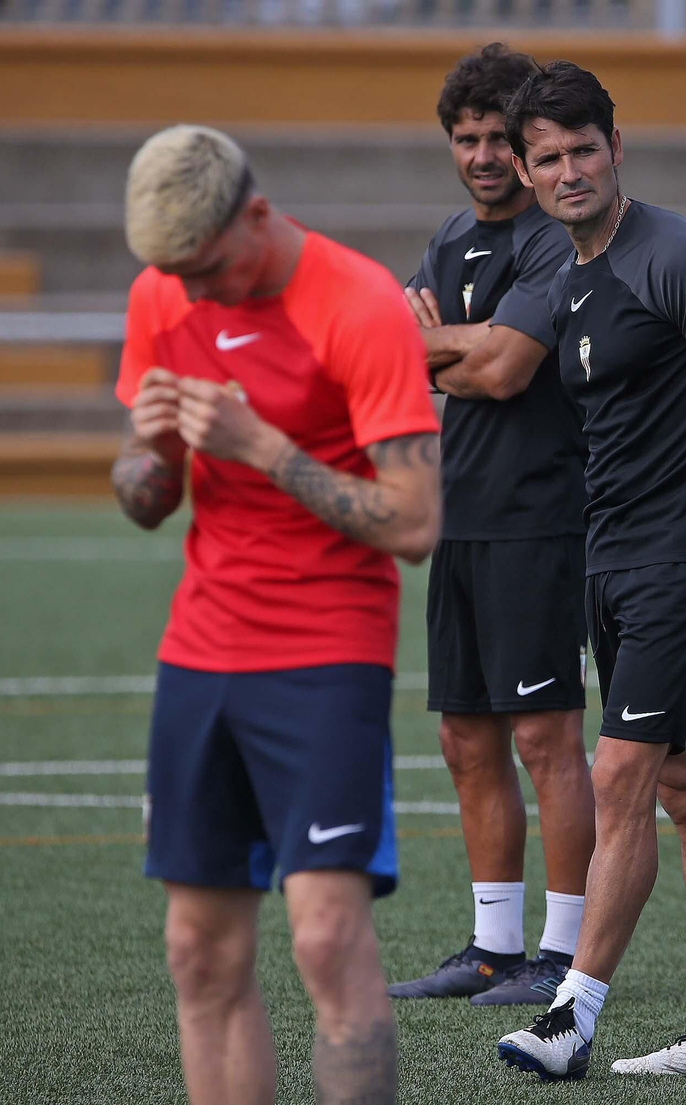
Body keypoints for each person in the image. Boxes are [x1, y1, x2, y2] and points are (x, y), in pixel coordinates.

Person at [111, 124, 441, 1105]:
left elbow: (417, 522)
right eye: (177, 275)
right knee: (197, 949)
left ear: (257, 214)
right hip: (200, 648)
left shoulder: (357, 301)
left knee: (327, 937)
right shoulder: (161, 290)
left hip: (327, 651)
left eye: (208, 268)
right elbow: (141, 497)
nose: (195, 294)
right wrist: (155, 455)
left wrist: (263, 447)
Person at [491, 63, 686, 1081]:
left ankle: (569, 1016)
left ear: (616, 149)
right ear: (526, 173)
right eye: (549, 157)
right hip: (613, 556)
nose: (569, 169)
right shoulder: (565, 269)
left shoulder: (678, 257)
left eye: (585, 149)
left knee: (619, 772)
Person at [384, 44, 596, 1008]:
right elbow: (408, 357)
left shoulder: (553, 239)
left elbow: (508, 371)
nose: (482, 156)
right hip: (462, 516)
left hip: (540, 517)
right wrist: (458, 347)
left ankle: (565, 951)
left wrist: (435, 345)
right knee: (466, 738)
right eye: (465, 138)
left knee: (545, 737)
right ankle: (493, 948)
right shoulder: (447, 239)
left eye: (499, 139)